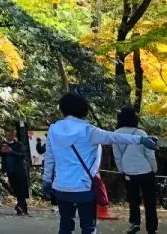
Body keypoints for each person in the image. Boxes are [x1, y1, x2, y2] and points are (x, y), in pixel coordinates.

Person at [43, 92, 157, 234]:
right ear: (83, 110)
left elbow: (49, 158)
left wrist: (47, 180)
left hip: (60, 187)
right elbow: (114, 137)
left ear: (63, 109)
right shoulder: (88, 130)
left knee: (65, 227)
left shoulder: (53, 129)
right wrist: (141, 140)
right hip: (84, 187)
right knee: (88, 228)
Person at [114, 106, 158, 234]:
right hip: (146, 171)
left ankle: (135, 223)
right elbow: (150, 154)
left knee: (133, 199)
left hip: (129, 172)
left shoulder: (116, 134)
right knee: (150, 201)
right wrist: (154, 169)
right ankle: (151, 228)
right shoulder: (141, 133)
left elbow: (117, 156)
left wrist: (122, 170)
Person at [1, 129, 30, 216]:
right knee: (16, 189)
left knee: (21, 189)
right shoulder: (3, 145)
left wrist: (11, 151)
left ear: (14, 136)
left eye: (11, 135)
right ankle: (23, 208)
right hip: (10, 171)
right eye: (7, 135)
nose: (9, 137)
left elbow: (22, 156)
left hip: (20, 170)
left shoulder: (19, 145)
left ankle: (20, 206)